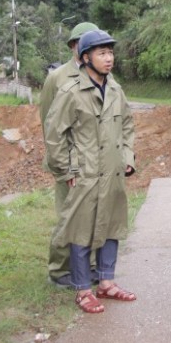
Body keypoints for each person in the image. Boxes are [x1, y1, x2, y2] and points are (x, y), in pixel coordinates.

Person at [44, 29, 137, 314]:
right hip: (84, 172)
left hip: (112, 171)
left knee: (111, 227)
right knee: (81, 230)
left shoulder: (115, 90)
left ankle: (106, 282)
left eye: (110, 53)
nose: (109, 59)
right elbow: (54, 134)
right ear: (86, 58)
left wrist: (128, 156)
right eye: (101, 53)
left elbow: (128, 126)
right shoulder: (71, 92)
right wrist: (66, 169)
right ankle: (83, 289)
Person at [39, 21, 99, 289]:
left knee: (96, 213)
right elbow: (48, 121)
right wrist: (59, 162)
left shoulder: (102, 73)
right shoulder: (57, 77)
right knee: (68, 214)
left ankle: (91, 266)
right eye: (81, 42)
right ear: (74, 46)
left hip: (95, 157)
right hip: (69, 158)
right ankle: (60, 269)